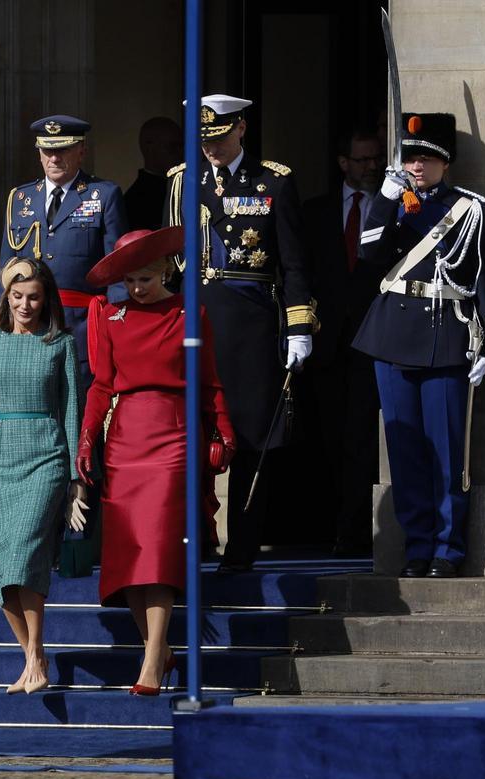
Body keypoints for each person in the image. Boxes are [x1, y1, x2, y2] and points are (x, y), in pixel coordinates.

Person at [76, 227, 235, 694]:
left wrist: (222, 429)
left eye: (145, 279)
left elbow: (209, 381)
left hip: (173, 435)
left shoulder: (191, 313)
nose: (137, 289)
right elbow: (102, 385)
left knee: (159, 550)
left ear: (165, 270)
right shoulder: (110, 315)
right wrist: (87, 438)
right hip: (125, 439)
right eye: (129, 281)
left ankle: (150, 661)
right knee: (128, 554)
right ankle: (159, 650)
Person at [163, 94, 316, 573]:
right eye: (204, 140)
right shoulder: (182, 181)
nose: (210, 148)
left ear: (241, 128)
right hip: (195, 323)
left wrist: (297, 326)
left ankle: (243, 548)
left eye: (219, 138)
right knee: (189, 436)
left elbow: (293, 262)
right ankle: (193, 540)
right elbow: (169, 263)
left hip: (251, 328)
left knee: (252, 438)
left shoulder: (274, 181)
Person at [352, 113, 485, 579]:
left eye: (427, 158)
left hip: (444, 335)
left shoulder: (468, 209)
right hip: (394, 332)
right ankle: (417, 546)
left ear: (445, 164)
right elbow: (369, 253)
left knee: (446, 450)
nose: (417, 166)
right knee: (405, 450)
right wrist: (383, 199)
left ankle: (446, 548)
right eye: (410, 157)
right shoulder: (394, 202)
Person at [0, 258, 82, 695]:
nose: (26, 304)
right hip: (0, 460)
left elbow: (71, 409)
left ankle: (36, 649)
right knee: (3, 566)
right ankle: (31, 655)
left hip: (45, 457)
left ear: (45, 298)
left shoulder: (60, 344)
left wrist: (74, 476)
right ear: (6, 298)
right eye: (18, 296)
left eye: (34, 296)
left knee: (28, 554)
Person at [302, 128, 385, 557]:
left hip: (375, 340)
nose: (372, 166)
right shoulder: (315, 213)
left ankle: (356, 532)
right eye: (363, 159)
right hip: (327, 342)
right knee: (332, 438)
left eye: (376, 159)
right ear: (343, 163)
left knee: (362, 438)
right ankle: (335, 524)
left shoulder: (390, 211)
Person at [0, 114, 126, 387]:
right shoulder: (20, 198)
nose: (54, 158)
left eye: (62, 150)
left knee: (78, 402)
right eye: (47, 151)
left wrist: (117, 325)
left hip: (78, 324)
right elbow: (6, 272)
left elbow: (116, 269)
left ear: (81, 151)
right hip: (28, 321)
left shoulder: (102, 195)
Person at [124, 116, 183, 231]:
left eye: (181, 146)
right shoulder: (137, 200)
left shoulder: (182, 184)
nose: (180, 153)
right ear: (150, 148)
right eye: (173, 147)